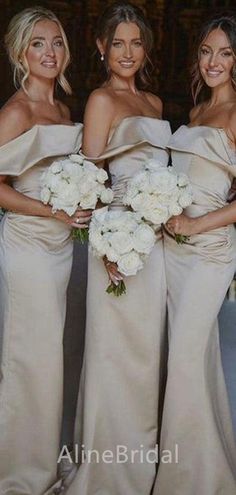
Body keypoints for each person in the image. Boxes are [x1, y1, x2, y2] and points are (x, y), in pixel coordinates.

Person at [62, 2, 171, 495]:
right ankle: (106, 473)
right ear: (102, 48)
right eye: (118, 43)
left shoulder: (155, 104)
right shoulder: (100, 101)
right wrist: (104, 243)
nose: (127, 52)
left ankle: (141, 465)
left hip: (157, 244)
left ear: (145, 48)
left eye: (136, 42)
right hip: (116, 240)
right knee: (111, 355)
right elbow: (90, 179)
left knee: (146, 357)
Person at [0, 7, 91, 495]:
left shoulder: (62, 111)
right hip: (29, 248)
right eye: (38, 44)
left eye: (56, 43)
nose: (50, 52)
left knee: (54, 359)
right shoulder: (16, 111)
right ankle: (19, 476)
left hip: (61, 251)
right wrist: (50, 211)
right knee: (28, 360)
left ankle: (43, 464)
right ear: (21, 53)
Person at [153, 15, 236, 495]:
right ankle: (208, 470)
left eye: (225, 53)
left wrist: (196, 223)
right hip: (176, 252)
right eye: (207, 51)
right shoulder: (198, 109)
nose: (213, 61)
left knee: (183, 359)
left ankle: (182, 482)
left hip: (210, 252)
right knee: (193, 359)